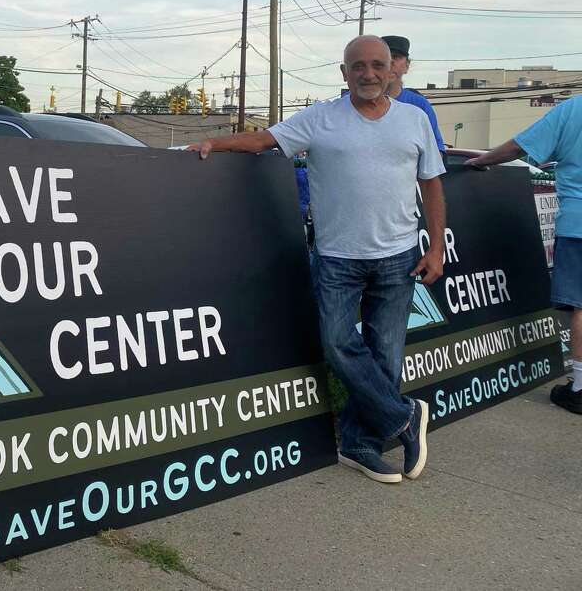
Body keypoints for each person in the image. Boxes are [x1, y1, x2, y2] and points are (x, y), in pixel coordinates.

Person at [189, 36, 446, 483]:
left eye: (377, 65)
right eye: (358, 66)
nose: (368, 74)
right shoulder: (320, 119)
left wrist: (436, 246)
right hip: (337, 258)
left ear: (393, 70)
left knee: (385, 356)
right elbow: (264, 140)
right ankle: (404, 417)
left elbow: (433, 184)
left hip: (398, 256)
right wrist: (215, 142)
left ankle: (360, 444)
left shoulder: (414, 120)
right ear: (343, 73)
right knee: (336, 344)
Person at [466, 95, 582, 414]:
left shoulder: (572, 110)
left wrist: (481, 160)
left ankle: (581, 388)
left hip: (578, 224)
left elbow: (519, 147)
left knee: (581, 309)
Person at [382, 35, 446, 152]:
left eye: (396, 57)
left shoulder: (419, 104)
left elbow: (436, 153)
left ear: (407, 65)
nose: (391, 62)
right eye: (385, 57)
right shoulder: (355, 101)